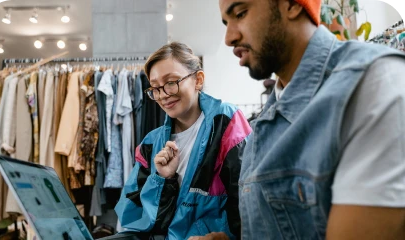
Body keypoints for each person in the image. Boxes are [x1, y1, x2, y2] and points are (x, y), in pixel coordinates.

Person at [219, 0, 405, 239]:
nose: (229, 38)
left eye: (241, 13)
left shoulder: (372, 84)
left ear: (291, 5)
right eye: (226, 22)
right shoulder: (267, 119)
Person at [114, 42, 251, 240]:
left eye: (171, 82)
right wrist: (163, 180)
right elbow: (133, 217)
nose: (163, 95)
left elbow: (247, 200)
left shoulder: (226, 122)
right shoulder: (150, 144)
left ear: (198, 79)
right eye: (155, 88)